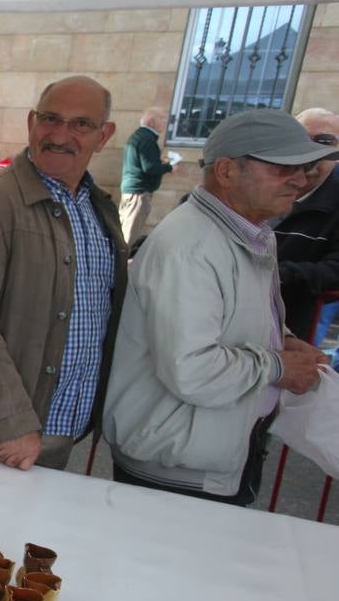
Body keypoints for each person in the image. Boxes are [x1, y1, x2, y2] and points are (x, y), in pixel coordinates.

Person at [103, 109, 335, 505]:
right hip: (176, 468)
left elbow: (232, 319)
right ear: (227, 171)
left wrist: (285, 340)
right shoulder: (190, 247)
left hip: (204, 455)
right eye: (284, 168)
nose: (300, 179)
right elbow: (192, 370)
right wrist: (279, 366)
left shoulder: (246, 233)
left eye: (304, 167)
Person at [0, 75, 128, 471]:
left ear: (104, 135)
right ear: (31, 123)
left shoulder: (98, 208)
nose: (61, 135)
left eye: (81, 124)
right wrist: (11, 420)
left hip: (62, 430)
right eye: (51, 119)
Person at [275, 108, 339, 346]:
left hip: (293, 329)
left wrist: (279, 275)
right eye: (300, 139)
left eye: (323, 141)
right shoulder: (263, 184)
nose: (309, 149)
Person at [119, 106, 175, 244]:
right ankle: (119, 265)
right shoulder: (147, 138)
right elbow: (149, 167)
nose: (165, 122)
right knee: (128, 236)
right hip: (138, 192)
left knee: (124, 231)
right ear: (151, 122)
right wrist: (169, 167)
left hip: (133, 190)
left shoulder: (140, 136)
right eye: (162, 119)